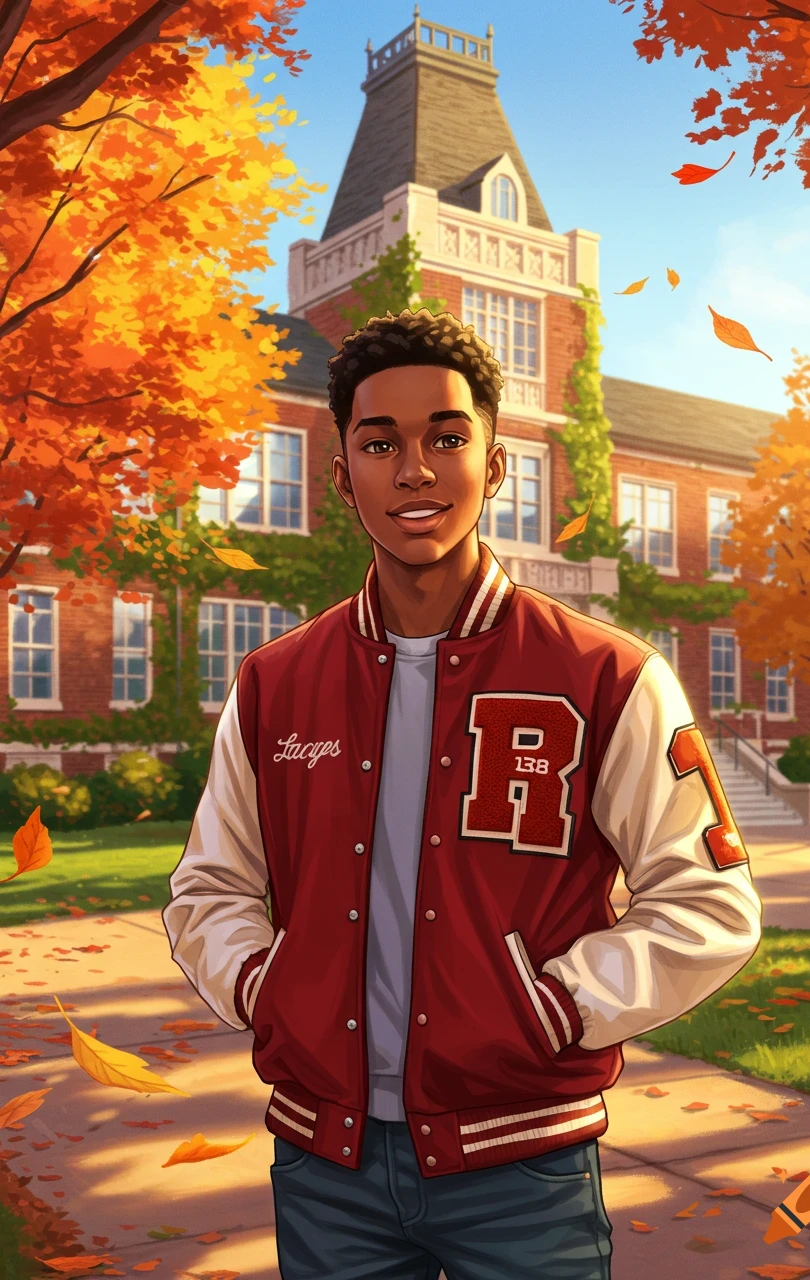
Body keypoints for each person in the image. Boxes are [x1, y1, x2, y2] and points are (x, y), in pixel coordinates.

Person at [162, 307, 762, 1280]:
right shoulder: (275, 682)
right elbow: (209, 887)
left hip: (522, 1165)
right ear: (341, 474)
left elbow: (710, 902)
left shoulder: (608, 676)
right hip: (323, 1161)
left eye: (446, 438)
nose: (414, 471)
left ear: (495, 465)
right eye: (379, 443)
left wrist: (554, 1007)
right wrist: (268, 990)